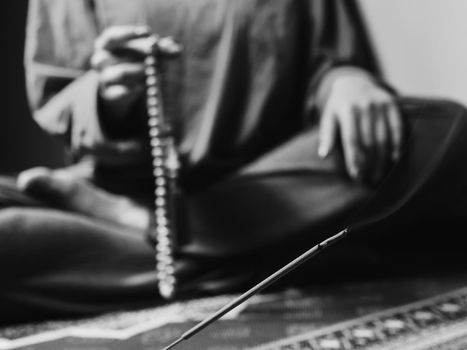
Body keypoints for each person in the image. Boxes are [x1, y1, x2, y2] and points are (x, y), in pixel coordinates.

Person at [1, 0, 467, 323]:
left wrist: (345, 78)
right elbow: (58, 95)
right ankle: (265, 255)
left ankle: (165, 234)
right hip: (137, 188)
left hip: (278, 184)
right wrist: (107, 94)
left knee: (444, 131)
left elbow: (330, 59)